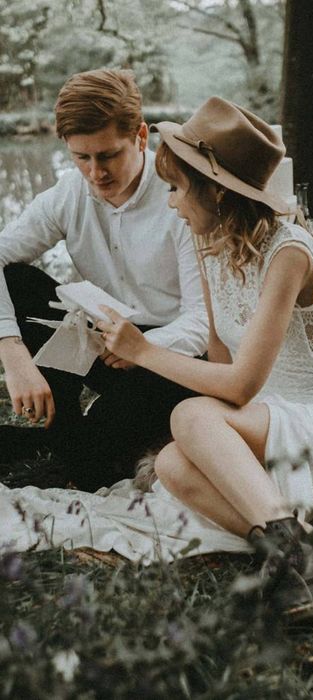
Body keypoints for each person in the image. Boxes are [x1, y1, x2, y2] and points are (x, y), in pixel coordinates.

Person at [96, 97, 313, 611]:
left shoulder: (289, 252)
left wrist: (145, 350)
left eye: (178, 189)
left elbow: (240, 385)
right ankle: (307, 548)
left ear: (217, 191)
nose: (172, 204)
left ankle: (299, 557)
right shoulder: (210, 246)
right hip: (261, 421)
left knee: (187, 414)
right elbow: (220, 369)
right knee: (175, 465)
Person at [0, 69, 208, 490]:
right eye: (82, 158)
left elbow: (203, 322)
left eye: (108, 155)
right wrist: (12, 352)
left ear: (141, 137)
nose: (96, 173)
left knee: (91, 467)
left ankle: (77, 444)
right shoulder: (68, 194)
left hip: (172, 361)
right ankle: (62, 422)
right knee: (17, 280)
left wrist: (146, 348)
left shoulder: (183, 198)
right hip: (106, 341)